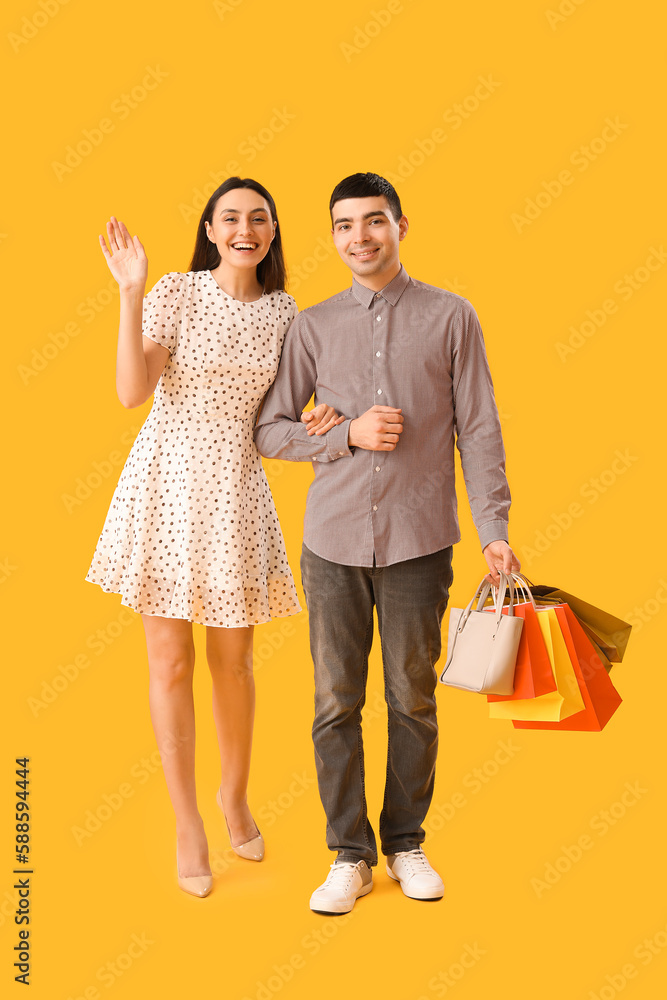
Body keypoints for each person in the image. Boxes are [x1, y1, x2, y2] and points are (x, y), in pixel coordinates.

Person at [254, 172, 520, 914]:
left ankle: (404, 843)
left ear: (401, 224)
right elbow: (271, 429)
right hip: (332, 544)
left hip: (418, 543)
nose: (359, 237)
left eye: (373, 222)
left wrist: (494, 529)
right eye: (344, 226)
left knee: (411, 698)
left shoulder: (451, 316)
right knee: (334, 701)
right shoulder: (310, 326)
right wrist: (344, 434)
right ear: (332, 236)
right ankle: (347, 853)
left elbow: (481, 428)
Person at [85, 177, 341, 898]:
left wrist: (318, 421)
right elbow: (132, 392)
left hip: (234, 489)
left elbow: (278, 421)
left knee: (234, 663)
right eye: (230, 217)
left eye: (258, 218)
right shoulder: (177, 290)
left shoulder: (287, 313)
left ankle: (233, 795)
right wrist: (130, 292)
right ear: (209, 227)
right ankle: (187, 823)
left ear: (272, 232)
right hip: (165, 483)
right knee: (169, 664)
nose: (244, 228)